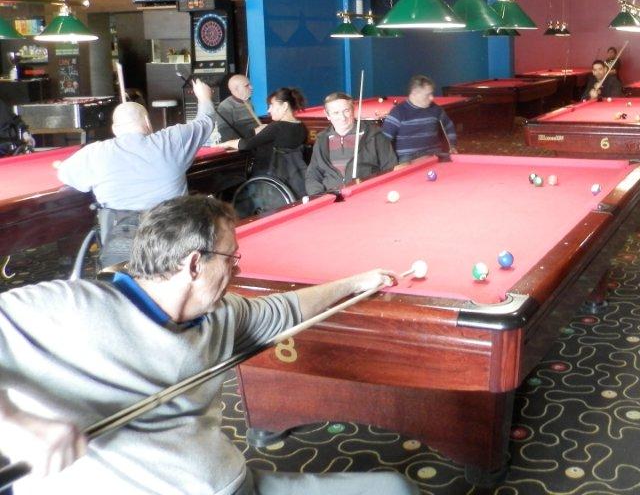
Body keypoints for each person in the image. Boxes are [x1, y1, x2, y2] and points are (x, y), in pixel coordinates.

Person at [0, 195, 416, 495]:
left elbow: (285, 310)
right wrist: (18, 427)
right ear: (195, 264)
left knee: (394, 489)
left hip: (235, 484)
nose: (237, 270)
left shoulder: (219, 315)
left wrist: (357, 282)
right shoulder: (70, 308)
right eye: (231, 258)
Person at [56, 79, 215, 269]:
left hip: (122, 250)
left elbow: (66, 175)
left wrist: (61, 166)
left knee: (120, 277)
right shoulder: (173, 140)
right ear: (148, 122)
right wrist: (204, 97)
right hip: (174, 243)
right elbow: (206, 121)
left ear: (115, 129)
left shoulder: (94, 153)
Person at [218, 87, 308, 197]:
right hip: (293, 182)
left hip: (269, 182)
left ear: (284, 106)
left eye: (272, 105)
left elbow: (247, 144)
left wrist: (226, 143)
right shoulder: (301, 127)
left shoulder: (277, 127)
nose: (269, 110)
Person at [305, 92, 398, 195]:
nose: (342, 117)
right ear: (328, 115)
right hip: (331, 197)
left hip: (367, 195)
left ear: (353, 110)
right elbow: (313, 174)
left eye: (346, 110)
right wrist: (318, 195)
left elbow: (390, 168)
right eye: (336, 113)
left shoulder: (374, 135)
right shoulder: (322, 140)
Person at [381, 76, 457, 163]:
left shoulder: (435, 109)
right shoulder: (398, 112)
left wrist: (452, 145)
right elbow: (384, 140)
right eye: (428, 95)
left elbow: (449, 126)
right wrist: (390, 163)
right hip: (409, 158)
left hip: (434, 154)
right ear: (414, 93)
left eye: (432, 94)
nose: (432, 98)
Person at [216, 74, 258, 143]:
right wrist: (254, 132)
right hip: (242, 145)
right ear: (236, 89)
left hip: (253, 141)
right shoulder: (225, 107)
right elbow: (226, 134)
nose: (251, 87)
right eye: (247, 86)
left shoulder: (248, 102)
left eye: (250, 84)